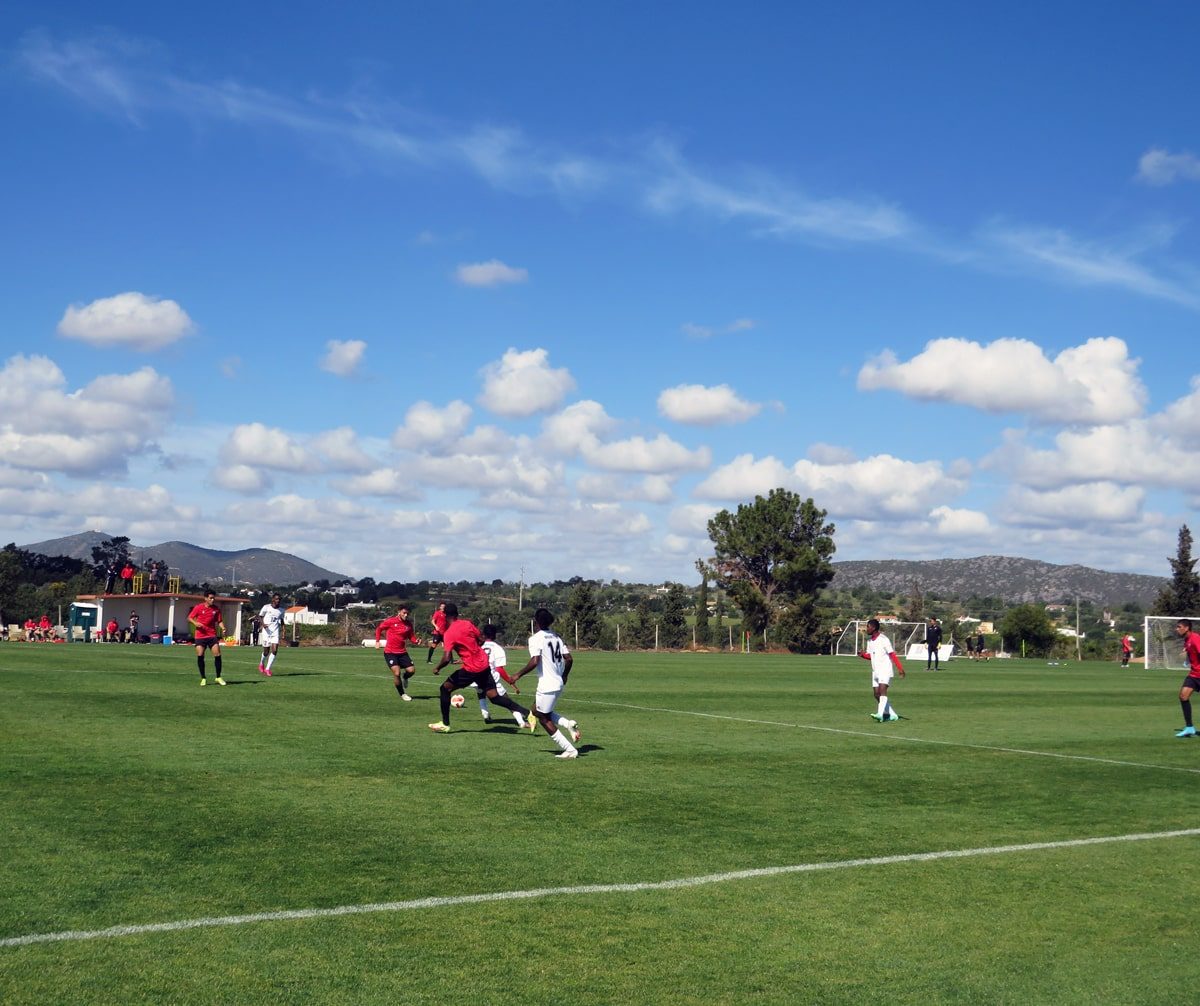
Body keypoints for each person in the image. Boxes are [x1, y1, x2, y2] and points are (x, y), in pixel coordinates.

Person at [428, 603, 530, 734]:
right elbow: (481, 639)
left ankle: (445, 724)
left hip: (471, 668)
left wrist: (437, 668)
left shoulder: (449, 633)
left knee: (445, 688)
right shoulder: (467, 624)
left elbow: (447, 658)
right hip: (484, 665)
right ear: (457, 614)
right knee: (494, 697)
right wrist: (473, 649)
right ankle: (527, 712)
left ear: (445, 616)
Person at [513, 608, 581, 758]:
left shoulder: (535, 639)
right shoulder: (556, 637)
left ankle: (569, 749)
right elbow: (569, 658)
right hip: (558, 682)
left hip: (547, 684)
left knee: (543, 718)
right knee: (537, 711)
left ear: (536, 622)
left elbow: (534, 661)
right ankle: (567, 724)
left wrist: (518, 674)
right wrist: (564, 676)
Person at [476, 623, 527, 727]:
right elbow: (499, 669)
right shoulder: (497, 648)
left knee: (480, 692)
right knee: (506, 700)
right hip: (490, 679)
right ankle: (521, 722)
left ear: (484, 634)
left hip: (475, 677)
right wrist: (509, 680)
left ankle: (485, 714)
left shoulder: (478, 646)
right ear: (494, 635)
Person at [858, 617, 905, 722]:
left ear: (874, 628)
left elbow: (892, 654)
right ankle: (892, 715)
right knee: (876, 694)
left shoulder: (884, 639)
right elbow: (870, 656)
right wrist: (862, 655)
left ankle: (880, 714)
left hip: (885, 670)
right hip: (875, 671)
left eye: (868, 626)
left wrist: (900, 668)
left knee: (882, 691)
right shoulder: (870, 641)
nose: (867, 629)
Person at [375, 604, 421, 700]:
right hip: (390, 652)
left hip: (402, 652)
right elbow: (379, 628)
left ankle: (405, 677)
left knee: (411, 671)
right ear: (399, 612)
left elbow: (411, 636)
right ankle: (402, 694)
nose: (406, 615)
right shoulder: (391, 621)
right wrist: (377, 641)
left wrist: (416, 641)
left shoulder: (408, 624)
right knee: (396, 673)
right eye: (404, 613)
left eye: (407, 613)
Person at [188, 590, 226, 686]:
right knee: (200, 655)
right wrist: (196, 623)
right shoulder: (198, 607)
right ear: (205, 598)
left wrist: (223, 627)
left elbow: (219, 621)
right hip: (200, 636)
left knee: (217, 654)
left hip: (212, 635)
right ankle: (203, 678)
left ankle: (218, 677)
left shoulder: (216, 609)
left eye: (214, 598)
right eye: (211, 598)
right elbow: (189, 618)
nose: (212, 600)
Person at [1173, 619, 1200, 737]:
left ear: (1187, 628)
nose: (1177, 629)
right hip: (1194, 674)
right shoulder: (1187, 640)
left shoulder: (1195, 638)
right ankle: (1189, 728)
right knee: (1183, 696)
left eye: (1179, 627)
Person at [257, 593, 285, 676]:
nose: (278, 601)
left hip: (275, 632)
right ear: (273, 599)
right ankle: (261, 663)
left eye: (279, 599)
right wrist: (263, 624)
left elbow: (282, 620)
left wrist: (283, 630)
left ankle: (267, 669)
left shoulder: (282, 610)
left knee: (275, 650)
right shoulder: (266, 607)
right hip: (266, 632)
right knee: (266, 652)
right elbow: (260, 616)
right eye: (276, 599)